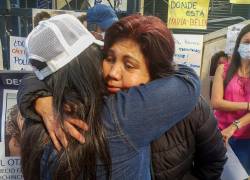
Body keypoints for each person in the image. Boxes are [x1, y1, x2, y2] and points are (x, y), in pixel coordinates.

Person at [20, 14, 226, 180]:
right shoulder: (100, 108)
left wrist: (38, 98)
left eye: (129, 65)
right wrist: (40, 97)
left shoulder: (191, 107)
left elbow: (212, 162)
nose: (113, 73)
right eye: (109, 58)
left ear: (156, 70)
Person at [211, 24, 250, 174]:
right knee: (217, 173)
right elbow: (216, 102)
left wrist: (234, 126)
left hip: (245, 138)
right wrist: (247, 105)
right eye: (247, 42)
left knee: (240, 175)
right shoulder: (224, 69)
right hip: (219, 134)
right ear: (239, 43)